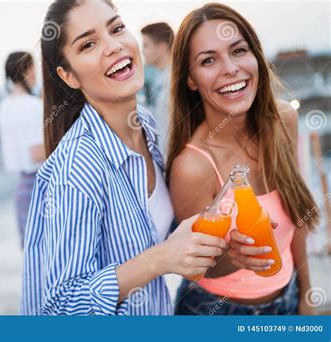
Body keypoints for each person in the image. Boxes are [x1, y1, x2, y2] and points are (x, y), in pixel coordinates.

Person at [21, 0, 227, 316]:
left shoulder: (145, 125)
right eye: (88, 44)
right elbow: (60, 307)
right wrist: (160, 258)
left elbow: (155, 233)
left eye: (116, 28)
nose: (114, 46)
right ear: (69, 76)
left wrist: (222, 237)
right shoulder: (78, 166)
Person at [166, 3, 319, 315]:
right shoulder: (192, 167)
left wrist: (306, 291)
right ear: (191, 79)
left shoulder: (283, 121)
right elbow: (198, 269)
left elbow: (298, 211)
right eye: (208, 60)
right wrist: (232, 257)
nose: (230, 68)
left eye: (238, 51)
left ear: (256, 56)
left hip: (288, 299)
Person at [0, 51, 45, 248]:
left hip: (22, 189)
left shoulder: (4, 106)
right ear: (27, 70)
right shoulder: (32, 106)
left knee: (33, 254)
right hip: (41, 187)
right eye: (34, 68)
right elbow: (37, 153)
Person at [139, 22, 174, 153]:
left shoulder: (175, 81)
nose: (142, 51)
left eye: (146, 45)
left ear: (161, 48)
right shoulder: (157, 78)